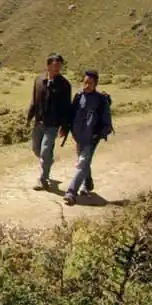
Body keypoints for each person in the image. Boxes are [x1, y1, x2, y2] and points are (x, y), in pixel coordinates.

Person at [63, 70, 113, 205]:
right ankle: (88, 183)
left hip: (92, 138)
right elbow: (71, 115)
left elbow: (107, 122)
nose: (87, 85)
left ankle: (71, 192)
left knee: (82, 163)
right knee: (84, 162)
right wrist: (68, 130)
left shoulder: (101, 100)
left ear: (95, 84)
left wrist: (97, 135)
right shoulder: (78, 97)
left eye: (90, 83)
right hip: (79, 137)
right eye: (85, 82)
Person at [26, 53, 72, 191]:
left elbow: (66, 108)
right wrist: (29, 117)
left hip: (52, 125)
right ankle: (47, 162)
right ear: (48, 66)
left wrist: (65, 126)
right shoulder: (38, 80)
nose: (57, 69)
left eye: (59, 66)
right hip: (39, 122)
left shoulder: (64, 85)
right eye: (55, 66)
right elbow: (34, 100)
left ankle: (43, 178)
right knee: (36, 149)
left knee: (46, 150)